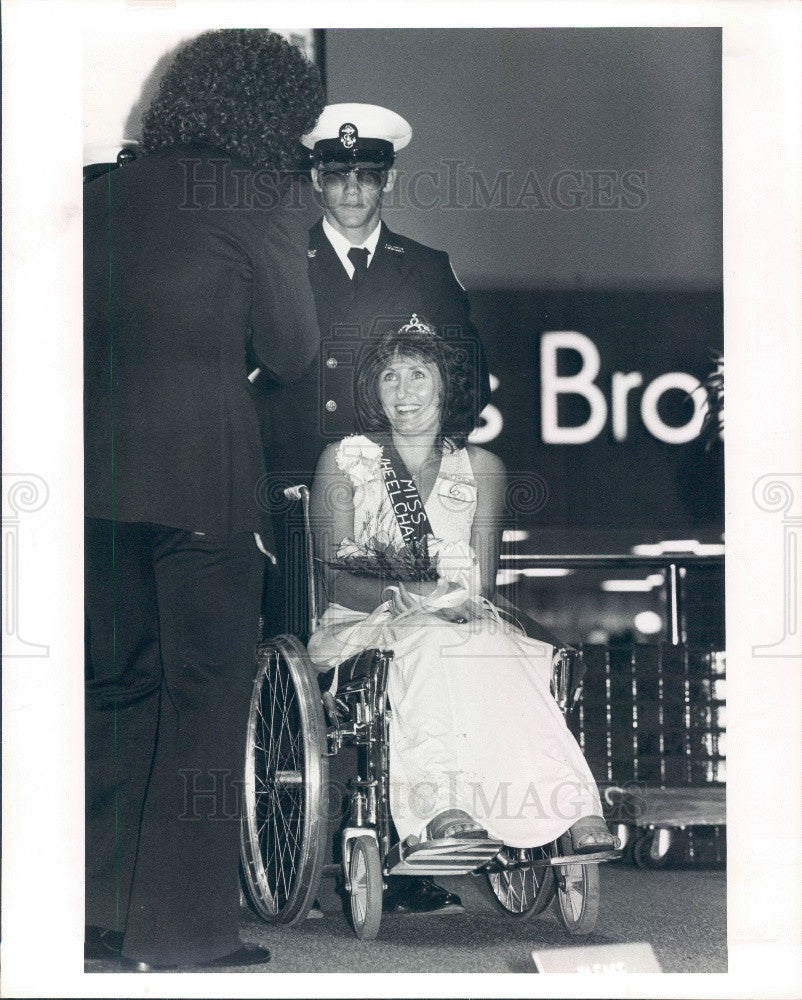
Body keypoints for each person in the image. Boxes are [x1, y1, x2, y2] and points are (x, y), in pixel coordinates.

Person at [83, 29, 323, 970]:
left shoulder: (104, 196)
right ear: (272, 114)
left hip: (98, 491)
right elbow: (295, 350)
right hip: (206, 487)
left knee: (117, 696)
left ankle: (101, 919)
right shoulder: (263, 197)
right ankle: (181, 935)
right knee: (206, 698)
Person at [251, 104, 491, 912]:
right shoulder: (277, 259)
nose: (350, 189)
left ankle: (407, 845)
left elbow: (470, 382)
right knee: (308, 675)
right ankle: (298, 847)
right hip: (300, 493)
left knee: (410, 658)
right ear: (316, 178)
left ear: (387, 179)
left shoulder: (428, 265)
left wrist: (419, 466)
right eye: (335, 174)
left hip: (402, 490)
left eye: (366, 175)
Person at [307, 317, 616, 857]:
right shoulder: (345, 460)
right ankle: (439, 809)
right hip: (359, 624)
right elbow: (333, 576)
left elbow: (483, 584)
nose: (403, 392)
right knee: (430, 642)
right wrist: (414, 598)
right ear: (373, 391)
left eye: (418, 375)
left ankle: (572, 807)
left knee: (508, 651)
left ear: (447, 386)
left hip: (457, 618)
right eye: (390, 377)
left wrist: (451, 604)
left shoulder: (482, 468)